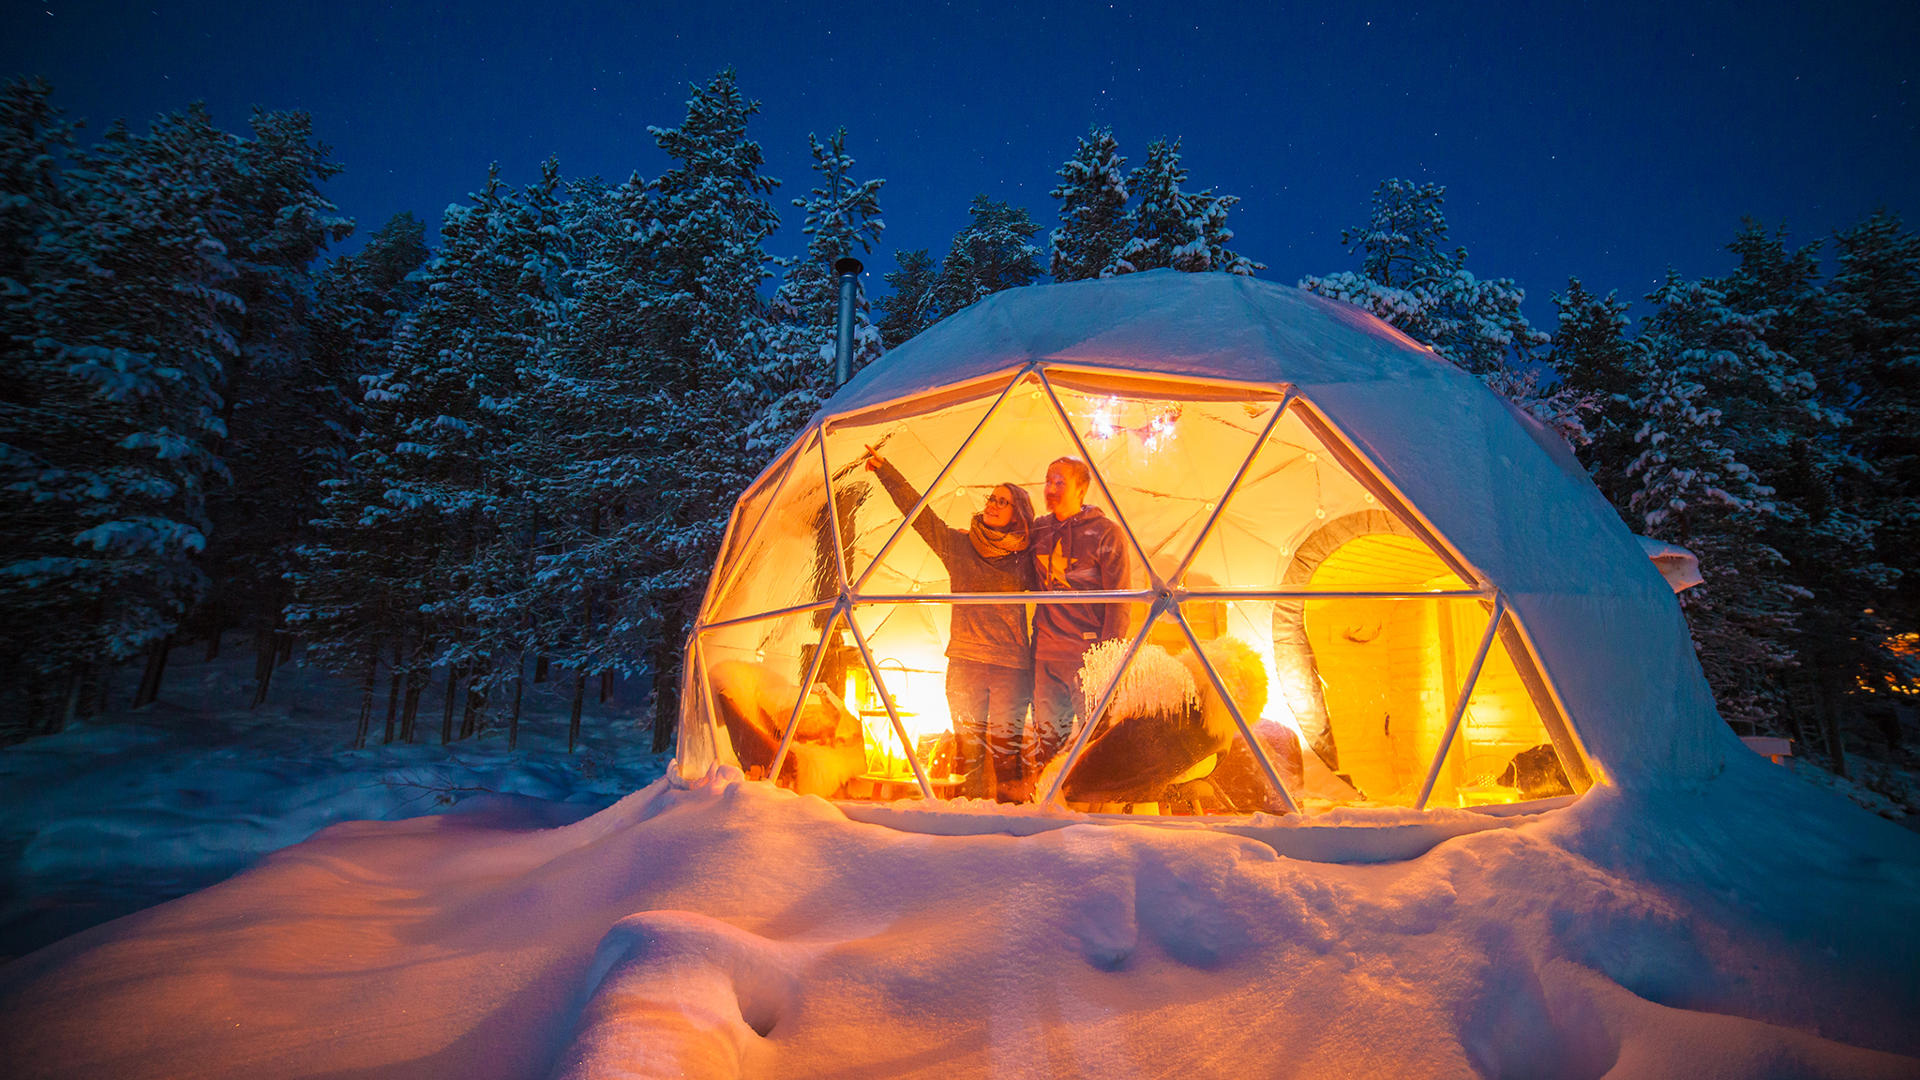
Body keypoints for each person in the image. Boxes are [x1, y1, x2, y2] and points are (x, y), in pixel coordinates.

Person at [864, 450, 1036, 799]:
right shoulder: (960, 546)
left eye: (1002, 501)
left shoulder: (1027, 557)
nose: (992, 504)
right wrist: (887, 471)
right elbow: (920, 517)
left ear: (1017, 514)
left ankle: (1013, 834)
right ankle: (970, 829)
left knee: (1007, 756)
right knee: (970, 754)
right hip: (965, 664)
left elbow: (1065, 574)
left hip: (1010, 668)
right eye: (991, 497)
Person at [1025, 456, 1129, 793]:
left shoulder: (1106, 533)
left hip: (1087, 656)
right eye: (1047, 481)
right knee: (1047, 740)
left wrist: (1108, 659)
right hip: (1046, 655)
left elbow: (1120, 601)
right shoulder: (1039, 530)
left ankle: (1090, 810)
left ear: (1081, 489)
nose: (1051, 489)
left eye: (1060, 483)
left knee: (1092, 741)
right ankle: (1047, 806)